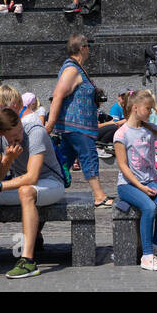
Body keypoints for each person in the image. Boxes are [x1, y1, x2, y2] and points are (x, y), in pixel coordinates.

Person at [0, 106, 68, 279]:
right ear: (1, 134)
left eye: (19, 131)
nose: (19, 137)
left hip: (51, 183)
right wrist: (8, 160)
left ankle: (27, 260)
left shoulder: (35, 131)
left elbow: (32, 177)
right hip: (21, 186)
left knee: (26, 191)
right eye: (13, 136)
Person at [44, 35, 112, 207]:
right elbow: (58, 94)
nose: (89, 49)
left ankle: (46, 193)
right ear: (82, 48)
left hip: (76, 127)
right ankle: (99, 196)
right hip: (77, 127)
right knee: (89, 155)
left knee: (62, 164)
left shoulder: (77, 68)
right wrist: (50, 125)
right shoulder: (71, 70)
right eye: (88, 46)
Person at [113, 89, 157, 271]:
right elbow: (123, 166)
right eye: (148, 109)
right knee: (149, 207)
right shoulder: (121, 134)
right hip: (128, 185)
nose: (151, 112)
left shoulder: (148, 129)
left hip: (150, 181)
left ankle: (154, 246)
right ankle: (147, 257)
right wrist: (141, 187)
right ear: (135, 108)